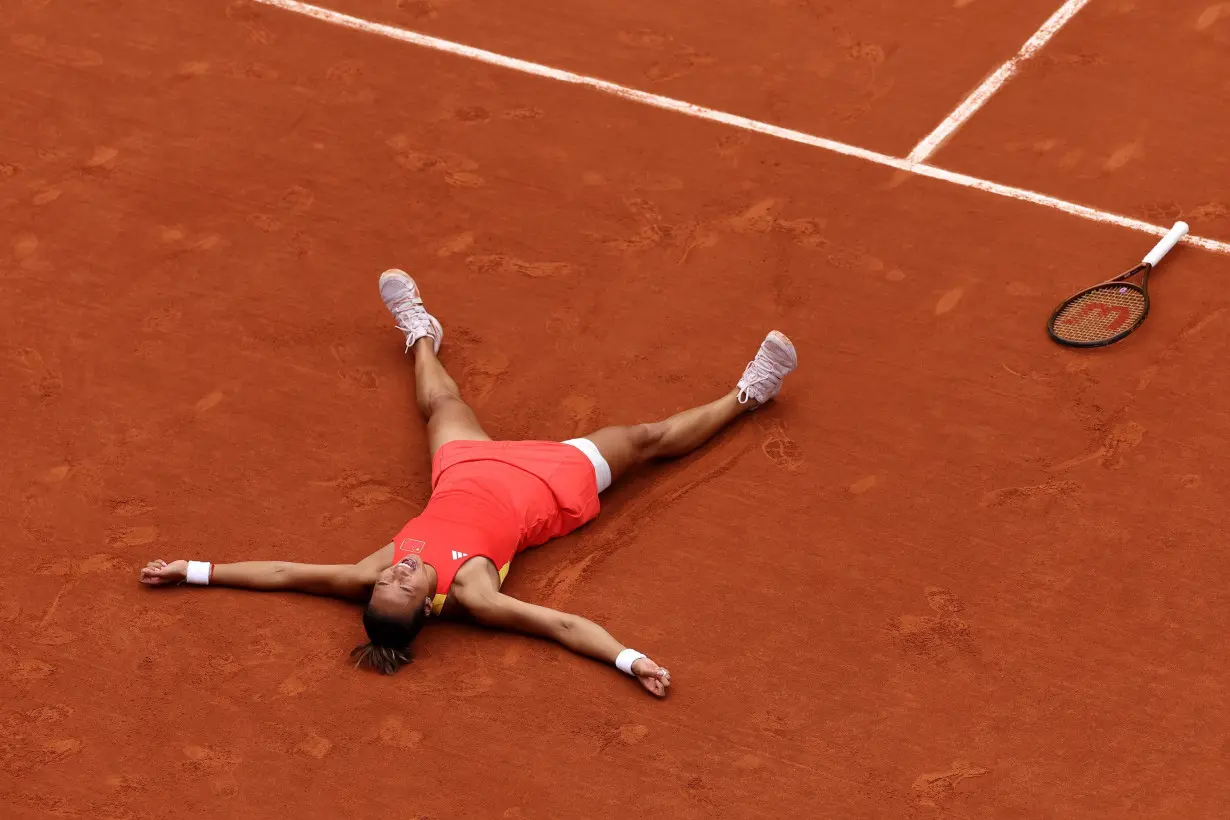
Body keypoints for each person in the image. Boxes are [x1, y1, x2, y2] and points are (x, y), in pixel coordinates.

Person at [140, 270, 798, 696]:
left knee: (440, 406)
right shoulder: (477, 595)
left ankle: (421, 334)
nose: (397, 575)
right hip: (548, 484)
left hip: (467, 466)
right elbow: (563, 626)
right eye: (405, 586)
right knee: (643, 440)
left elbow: (283, 573)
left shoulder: (374, 572)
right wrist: (630, 660)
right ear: (429, 607)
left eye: (388, 582)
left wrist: (192, 569)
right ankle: (748, 395)